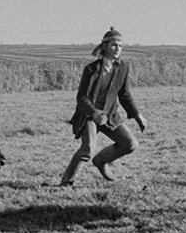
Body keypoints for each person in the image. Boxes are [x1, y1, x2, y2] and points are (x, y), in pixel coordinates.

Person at [60, 27, 147, 184]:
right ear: (105, 46)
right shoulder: (91, 69)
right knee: (87, 149)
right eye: (114, 45)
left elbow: (124, 94)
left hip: (110, 115)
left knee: (130, 144)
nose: (118, 49)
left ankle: (101, 161)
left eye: (120, 46)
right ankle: (66, 182)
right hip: (88, 116)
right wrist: (94, 113)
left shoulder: (123, 67)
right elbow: (81, 97)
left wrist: (136, 114)